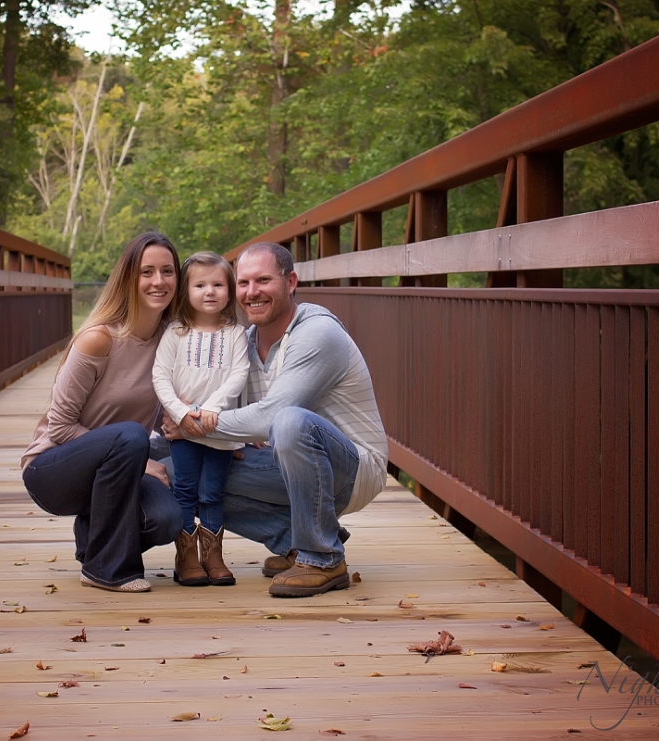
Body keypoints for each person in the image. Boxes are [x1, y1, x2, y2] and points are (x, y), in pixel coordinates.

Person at [166, 242, 388, 597]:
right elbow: (223, 413)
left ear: (291, 282)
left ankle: (323, 557)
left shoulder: (317, 332)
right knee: (178, 468)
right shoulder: (243, 343)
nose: (252, 292)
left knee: (289, 422)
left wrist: (191, 425)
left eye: (264, 280)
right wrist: (182, 425)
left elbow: (270, 416)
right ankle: (297, 540)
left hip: (355, 469)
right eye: (243, 283)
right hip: (290, 463)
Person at [21, 232, 183, 593]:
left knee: (167, 520)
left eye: (168, 271)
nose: (159, 281)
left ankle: (93, 537)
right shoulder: (99, 338)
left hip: (118, 468)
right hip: (54, 470)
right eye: (147, 272)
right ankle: (107, 570)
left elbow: (170, 411)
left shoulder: (172, 341)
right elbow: (60, 427)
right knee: (129, 435)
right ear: (129, 278)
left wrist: (242, 433)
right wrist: (142, 461)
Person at [152, 252, 250, 587]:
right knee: (185, 489)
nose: (210, 291)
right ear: (186, 292)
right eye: (200, 285)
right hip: (184, 430)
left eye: (218, 284)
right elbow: (160, 378)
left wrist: (214, 407)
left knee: (212, 491)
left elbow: (239, 373)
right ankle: (186, 557)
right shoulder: (176, 333)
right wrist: (181, 414)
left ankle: (213, 555)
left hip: (218, 427)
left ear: (229, 289)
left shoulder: (235, 334)